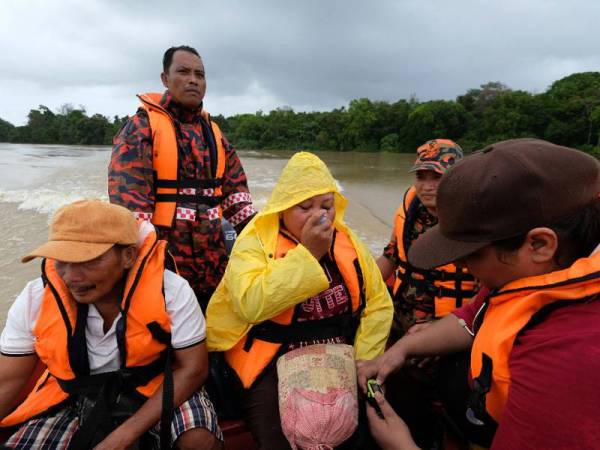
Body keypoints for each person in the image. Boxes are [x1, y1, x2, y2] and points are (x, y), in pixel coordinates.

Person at [358, 139, 600, 449]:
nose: (458, 264)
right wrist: (400, 350)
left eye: (471, 255)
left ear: (539, 245)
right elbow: (475, 314)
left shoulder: (571, 358)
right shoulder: (541, 273)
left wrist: (402, 446)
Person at [207, 152, 393, 449]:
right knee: (275, 436)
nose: (319, 215)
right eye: (305, 207)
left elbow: (379, 303)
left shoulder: (348, 240)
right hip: (271, 355)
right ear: (282, 209)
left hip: (341, 349)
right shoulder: (254, 241)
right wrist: (308, 255)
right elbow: (250, 304)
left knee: (362, 425)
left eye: (326, 206)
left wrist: (363, 359)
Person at [0, 200, 222, 450]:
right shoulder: (34, 298)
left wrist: (123, 435)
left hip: (157, 382)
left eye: (88, 260)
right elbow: (7, 380)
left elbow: (193, 369)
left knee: (197, 440)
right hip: (75, 392)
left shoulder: (171, 291)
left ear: (128, 256)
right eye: (61, 260)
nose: (72, 277)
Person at [109, 45, 255, 309]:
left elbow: (238, 202)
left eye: (200, 75)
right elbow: (131, 210)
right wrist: (146, 269)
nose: (193, 80)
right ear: (165, 79)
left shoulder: (216, 134)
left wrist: (269, 236)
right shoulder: (141, 129)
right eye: (184, 72)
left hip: (215, 268)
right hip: (164, 267)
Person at [376, 139, 478, 448]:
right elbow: (390, 258)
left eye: (438, 177)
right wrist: (356, 287)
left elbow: (491, 291)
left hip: (452, 326)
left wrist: (440, 327)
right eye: (422, 176)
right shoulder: (410, 207)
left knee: (446, 389)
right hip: (401, 316)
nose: (428, 186)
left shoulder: (476, 220)